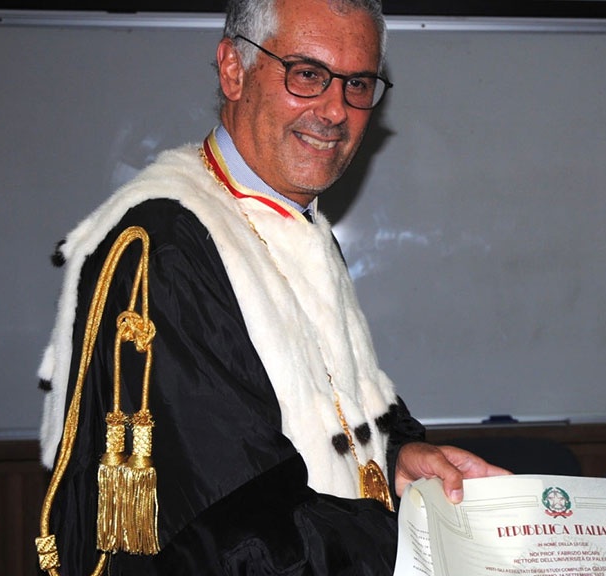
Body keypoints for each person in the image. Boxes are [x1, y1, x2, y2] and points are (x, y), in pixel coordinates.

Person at [35, 0, 506, 574]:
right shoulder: (170, 247)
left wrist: (400, 455)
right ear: (234, 70)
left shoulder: (294, 226)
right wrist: (434, 543)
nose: (335, 109)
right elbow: (241, 525)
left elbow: (330, 409)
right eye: (307, 74)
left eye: (358, 83)